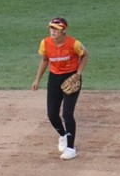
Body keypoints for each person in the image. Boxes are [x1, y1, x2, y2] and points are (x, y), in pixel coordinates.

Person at [32, 17, 88, 161]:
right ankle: (63, 136)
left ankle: (70, 148)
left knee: (67, 114)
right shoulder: (45, 43)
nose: (53, 31)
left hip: (71, 78)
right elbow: (45, 60)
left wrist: (78, 74)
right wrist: (37, 79)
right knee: (52, 114)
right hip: (54, 79)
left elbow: (85, 56)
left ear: (64, 30)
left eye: (56, 29)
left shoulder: (74, 44)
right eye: (51, 28)